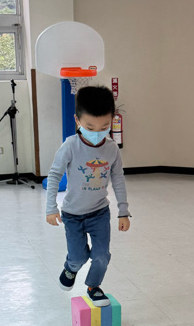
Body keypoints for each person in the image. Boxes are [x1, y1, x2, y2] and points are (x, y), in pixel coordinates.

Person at [45, 84, 130, 306]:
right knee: (78, 257)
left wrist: (123, 211)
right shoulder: (70, 146)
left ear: (112, 120)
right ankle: (70, 268)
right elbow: (54, 175)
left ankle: (94, 286)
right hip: (72, 215)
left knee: (102, 256)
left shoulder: (112, 148)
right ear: (77, 121)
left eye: (104, 127)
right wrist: (51, 207)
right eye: (90, 127)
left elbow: (118, 178)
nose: (97, 132)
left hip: (99, 212)